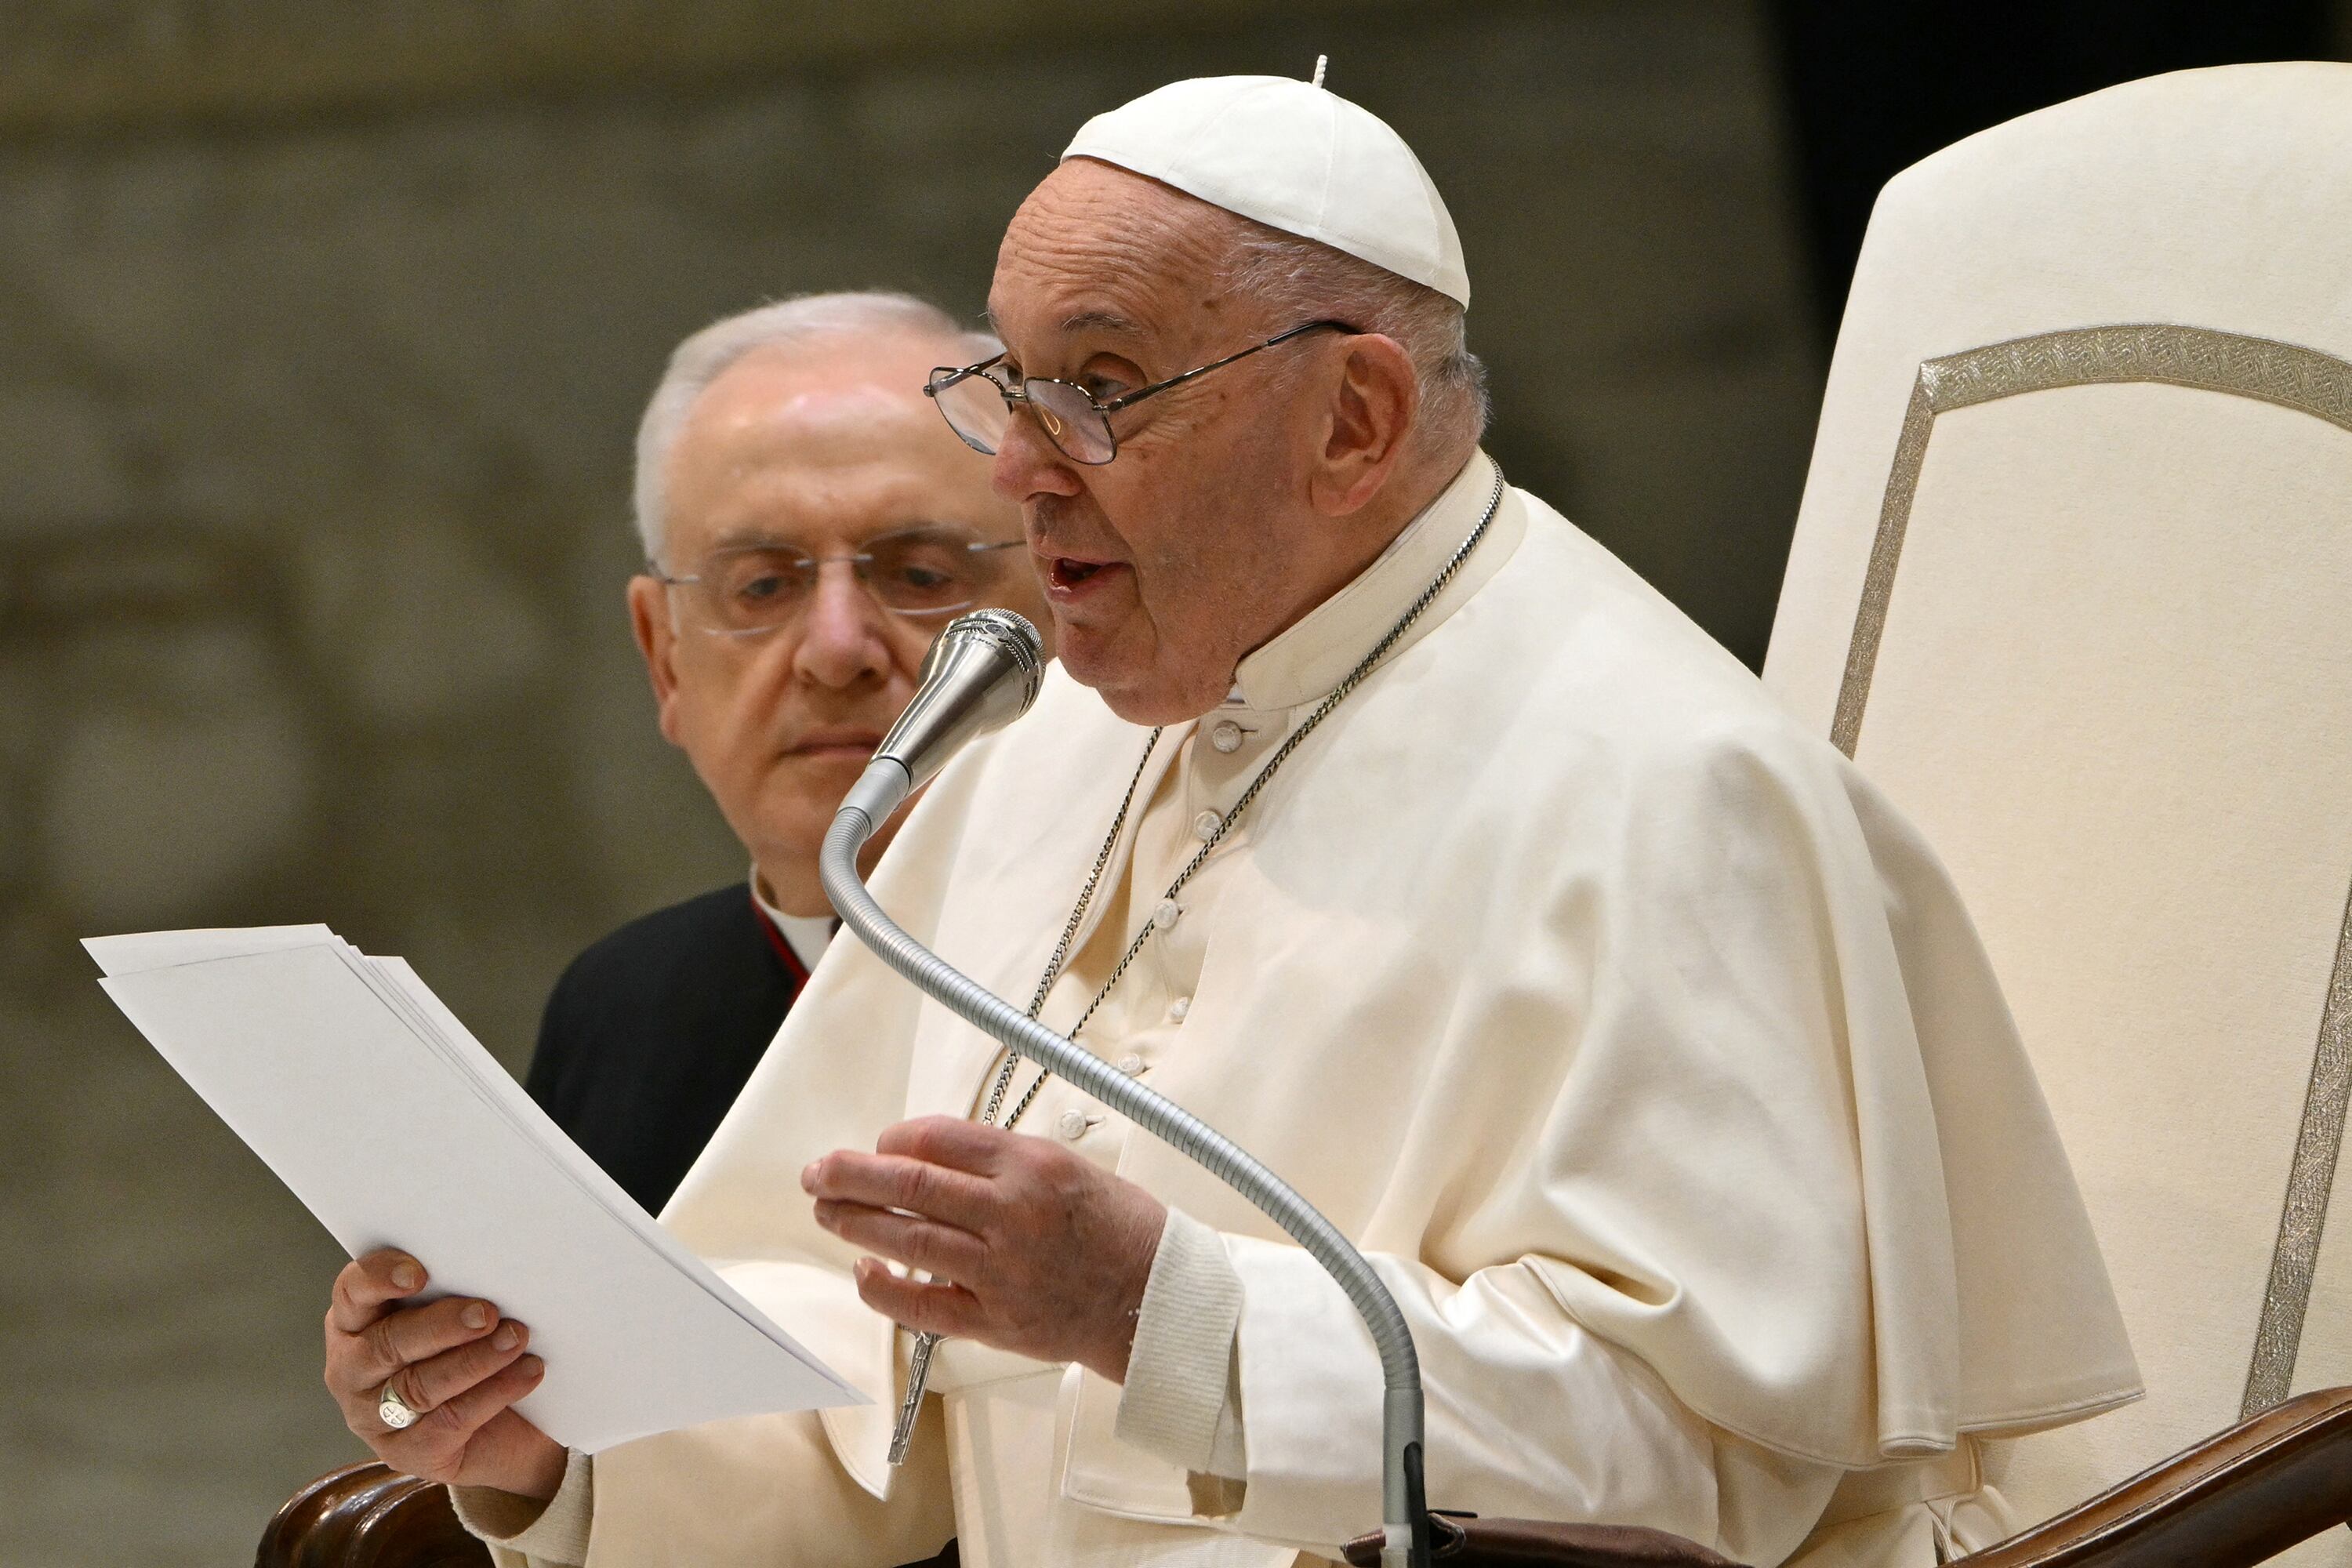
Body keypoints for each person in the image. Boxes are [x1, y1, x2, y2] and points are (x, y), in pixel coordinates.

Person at [320, 74, 2141, 1568]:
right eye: (1006, 380)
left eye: (1098, 388)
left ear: (1351, 419)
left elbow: (1711, 1463)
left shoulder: (1668, 788)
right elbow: (862, 1379)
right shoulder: (1049, 743)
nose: (1019, 463)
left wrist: (1158, 1310)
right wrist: (551, 1433)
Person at [526, 292, 1048, 1214]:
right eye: (762, 586)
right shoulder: (621, 1010)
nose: (837, 650)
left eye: (921, 574)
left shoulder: (1174, 961)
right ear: (663, 657)